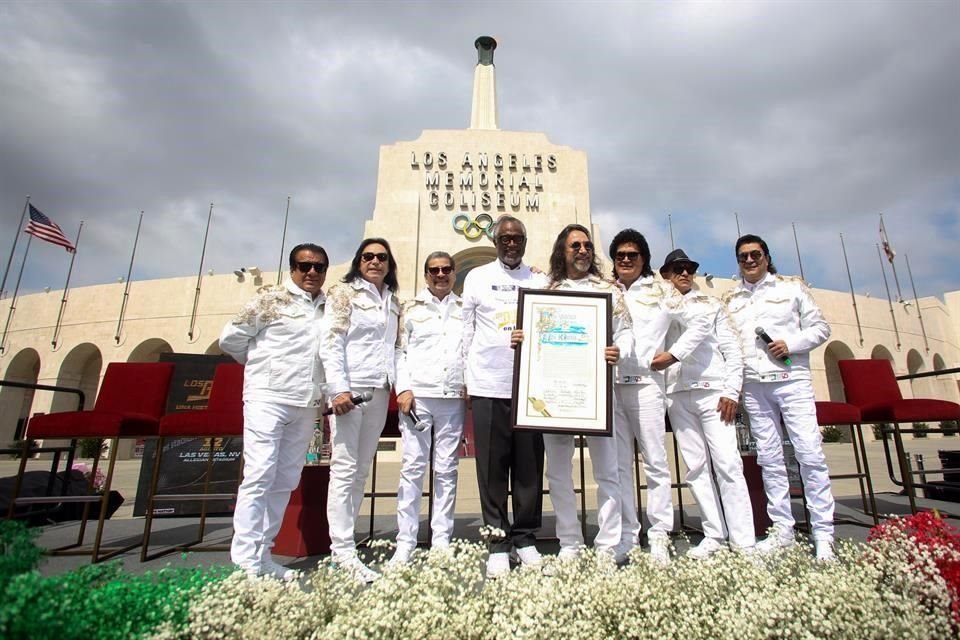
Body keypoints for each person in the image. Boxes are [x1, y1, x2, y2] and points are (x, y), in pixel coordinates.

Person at [219, 242, 329, 580]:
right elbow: (231, 339)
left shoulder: (328, 306)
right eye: (304, 265)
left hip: (304, 401)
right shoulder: (269, 300)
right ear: (292, 267)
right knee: (260, 474)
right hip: (268, 398)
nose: (311, 272)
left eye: (319, 267)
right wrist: (262, 369)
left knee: (285, 478)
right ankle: (245, 561)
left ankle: (263, 554)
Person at [722, 234, 835, 560]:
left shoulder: (791, 288)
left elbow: (821, 328)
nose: (749, 260)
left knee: (809, 455)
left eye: (755, 254)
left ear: (767, 257)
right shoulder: (732, 300)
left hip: (791, 381)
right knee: (769, 460)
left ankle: (822, 533)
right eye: (742, 256)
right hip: (755, 387)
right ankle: (782, 530)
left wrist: (791, 343)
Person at [530, 224, 631, 563]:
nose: (583, 250)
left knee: (608, 470)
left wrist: (619, 351)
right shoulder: (546, 290)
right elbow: (534, 337)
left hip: (597, 393)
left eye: (587, 245)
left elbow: (627, 333)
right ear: (563, 250)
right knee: (558, 472)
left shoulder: (610, 291)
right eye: (576, 245)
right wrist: (522, 339)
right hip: (556, 395)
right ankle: (570, 543)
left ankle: (608, 545)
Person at [608, 229, 709, 565]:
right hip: (610, 388)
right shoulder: (604, 290)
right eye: (619, 255)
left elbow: (698, 324)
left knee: (655, 463)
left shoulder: (662, 290)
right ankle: (627, 534)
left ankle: (659, 535)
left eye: (632, 255)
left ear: (644, 259)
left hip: (647, 386)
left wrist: (673, 354)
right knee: (619, 466)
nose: (625, 260)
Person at [462, 214, 548, 578]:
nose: (511, 244)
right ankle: (497, 541)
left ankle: (526, 537)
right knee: (492, 469)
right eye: (505, 238)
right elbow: (466, 332)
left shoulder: (540, 279)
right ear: (495, 241)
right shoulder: (477, 278)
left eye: (518, 238)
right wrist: (466, 380)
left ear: (525, 243)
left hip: (530, 388)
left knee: (529, 469)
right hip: (488, 385)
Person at [658, 249, 756, 558]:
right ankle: (714, 533)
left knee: (728, 464)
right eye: (677, 269)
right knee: (696, 468)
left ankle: (743, 541)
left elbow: (732, 350)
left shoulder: (712, 305)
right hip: (677, 393)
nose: (684, 273)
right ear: (666, 274)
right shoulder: (659, 305)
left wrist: (731, 390)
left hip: (713, 393)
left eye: (688, 268)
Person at [319, 238, 401, 581]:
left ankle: (346, 544)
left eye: (382, 257)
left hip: (379, 391)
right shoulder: (344, 294)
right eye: (368, 256)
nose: (375, 262)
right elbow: (331, 340)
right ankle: (342, 550)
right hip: (350, 394)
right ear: (358, 261)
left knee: (360, 470)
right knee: (344, 468)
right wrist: (338, 389)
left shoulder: (393, 301)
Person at [390, 251, 465, 564]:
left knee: (447, 470)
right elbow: (398, 352)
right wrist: (404, 388)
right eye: (434, 270)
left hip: (453, 398)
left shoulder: (464, 308)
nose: (440, 274)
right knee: (413, 468)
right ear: (425, 275)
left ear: (454, 273)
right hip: (418, 398)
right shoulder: (410, 309)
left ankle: (441, 539)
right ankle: (405, 540)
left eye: (446, 269)